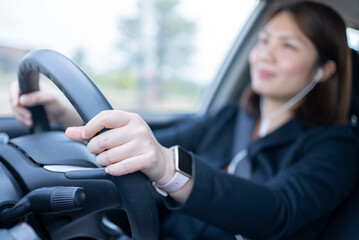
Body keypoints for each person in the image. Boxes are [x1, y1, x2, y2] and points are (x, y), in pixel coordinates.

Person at [9, 1, 359, 239]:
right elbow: (162, 135)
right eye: (264, 40)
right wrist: (67, 114)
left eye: (288, 46)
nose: (265, 53)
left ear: (323, 70)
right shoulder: (229, 118)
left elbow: (278, 211)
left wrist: (169, 167)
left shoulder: (336, 147)